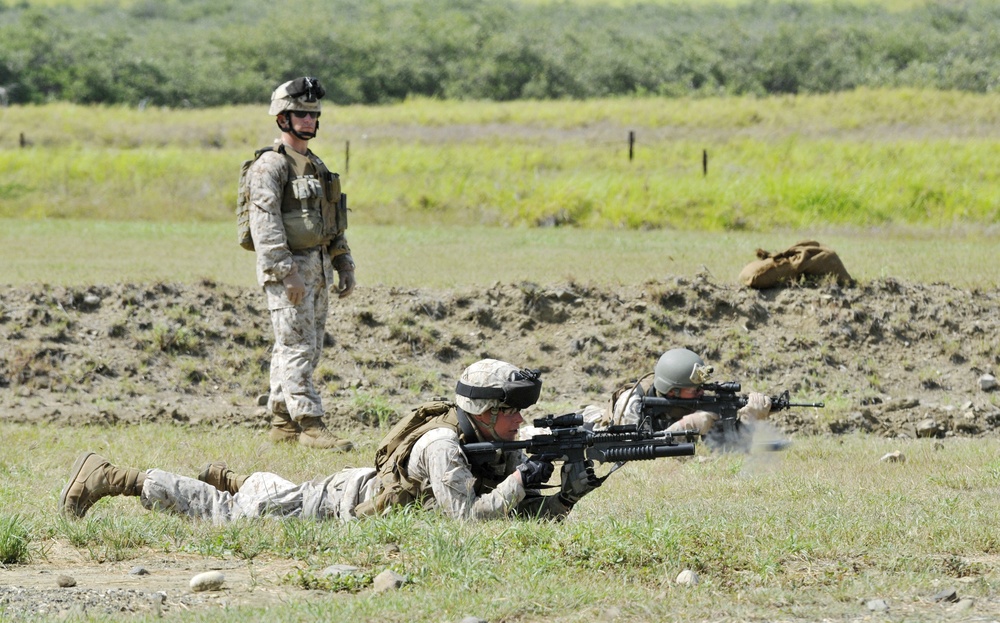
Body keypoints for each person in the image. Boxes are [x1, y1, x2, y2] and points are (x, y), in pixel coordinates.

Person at [58, 359, 599, 523]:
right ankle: (112, 477)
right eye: (512, 414)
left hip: (341, 493)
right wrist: (518, 484)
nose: (521, 425)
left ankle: (240, 479)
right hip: (337, 505)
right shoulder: (443, 447)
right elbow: (470, 522)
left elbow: (516, 517)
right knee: (228, 516)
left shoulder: (498, 438)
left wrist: (567, 495)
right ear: (486, 412)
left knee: (268, 494)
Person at [248, 76, 355, 450]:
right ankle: (310, 424)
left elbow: (331, 219)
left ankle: (282, 422)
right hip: (290, 269)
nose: (308, 121)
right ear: (282, 118)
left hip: (319, 267)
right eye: (300, 114)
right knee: (297, 347)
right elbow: (265, 225)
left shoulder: (315, 165)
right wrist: (286, 273)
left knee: (300, 347)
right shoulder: (270, 166)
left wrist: (344, 263)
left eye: (312, 115)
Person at [583, 348, 772, 437]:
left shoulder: (695, 401)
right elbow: (627, 449)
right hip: (592, 428)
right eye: (693, 389)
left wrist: (751, 417)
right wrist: (684, 427)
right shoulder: (633, 403)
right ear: (672, 391)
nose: (700, 393)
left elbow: (728, 446)